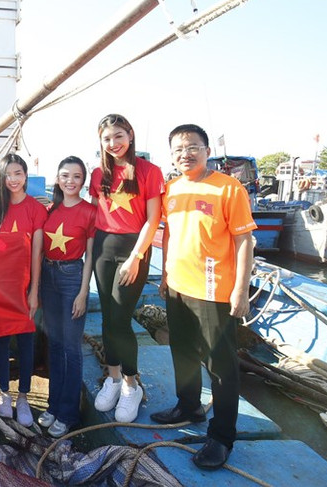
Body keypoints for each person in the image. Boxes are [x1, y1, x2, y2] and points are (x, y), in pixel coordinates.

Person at [152, 123, 256, 470]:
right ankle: (188, 405)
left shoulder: (230, 188)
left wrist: (240, 289)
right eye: (179, 149)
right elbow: (168, 235)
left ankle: (222, 436)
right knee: (182, 352)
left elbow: (244, 241)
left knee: (221, 366)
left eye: (193, 147)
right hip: (178, 286)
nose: (186, 154)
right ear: (172, 155)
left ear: (207, 151)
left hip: (214, 290)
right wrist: (165, 275)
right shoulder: (172, 189)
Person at [89, 114, 164, 423]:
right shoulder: (98, 174)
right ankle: (114, 377)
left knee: (121, 320)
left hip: (133, 249)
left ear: (130, 135)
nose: (113, 143)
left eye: (118, 136)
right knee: (108, 319)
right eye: (107, 139)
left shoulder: (149, 171)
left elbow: (153, 218)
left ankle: (132, 385)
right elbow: (93, 213)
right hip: (103, 249)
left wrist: (136, 256)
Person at [36, 156, 96, 437]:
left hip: (73, 276)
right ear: (57, 179)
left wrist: (83, 292)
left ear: (83, 181)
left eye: (76, 176)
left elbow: (91, 255)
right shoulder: (50, 210)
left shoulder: (89, 212)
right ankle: (53, 405)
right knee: (55, 345)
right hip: (48, 275)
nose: (70, 181)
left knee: (71, 348)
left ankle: (68, 413)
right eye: (65, 175)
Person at [0, 154, 46, 428]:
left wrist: (33, 291)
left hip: (24, 287)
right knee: (0, 343)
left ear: (26, 175)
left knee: (25, 342)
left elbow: (37, 254)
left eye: (18, 173)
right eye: (8, 174)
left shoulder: (36, 209)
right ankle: (4, 394)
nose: (13, 179)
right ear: (2, 177)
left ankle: (23, 396)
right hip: (0, 287)